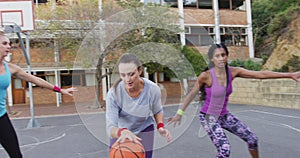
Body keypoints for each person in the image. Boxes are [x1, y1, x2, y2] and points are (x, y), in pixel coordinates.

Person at [168, 43, 300, 158]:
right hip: (209, 117)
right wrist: (179, 113)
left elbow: (261, 74)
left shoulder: (234, 72)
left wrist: (289, 75)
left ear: (227, 56)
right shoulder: (206, 76)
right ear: (212, 59)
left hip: (225, 115)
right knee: (224, 151)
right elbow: (191, 94)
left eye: (223, 55)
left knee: (252, 139)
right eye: (217, 56)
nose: (221, 58)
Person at [0, 31, 77, 158]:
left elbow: (36, 80)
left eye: (9, 43)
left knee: (16, 155)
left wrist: (60, 90)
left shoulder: (11, 68)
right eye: (4, 43)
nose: (9, 46)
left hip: (1, 117)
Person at [106, 53, 172, 158]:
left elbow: (157, 111)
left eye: (131, 74)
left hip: (144, 129)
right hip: (121, 131)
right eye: (123, 75)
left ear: (140, 70)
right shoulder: (114, 94)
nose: (127, 79)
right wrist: (122, 132)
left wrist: (160, 126)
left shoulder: (152, 89)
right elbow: (111, 128)